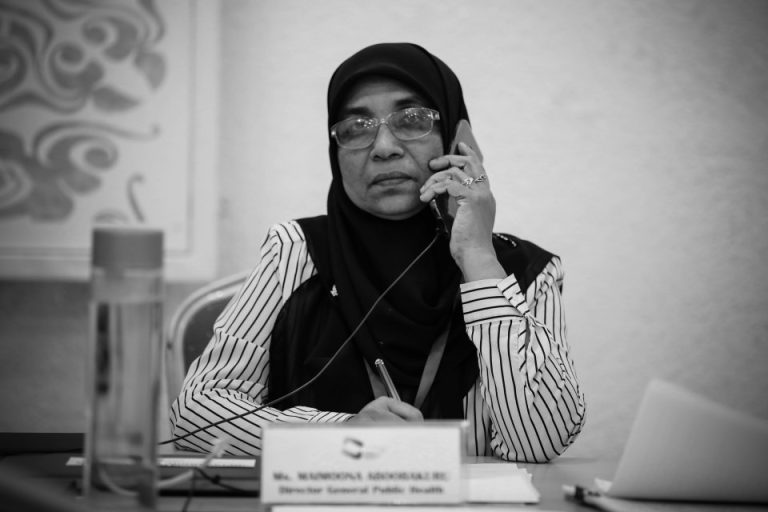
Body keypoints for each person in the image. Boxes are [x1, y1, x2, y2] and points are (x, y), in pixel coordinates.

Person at [170, 42, 585, 462]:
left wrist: (477, 256)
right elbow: (195, 412)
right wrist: (340, 434)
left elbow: (538, 441)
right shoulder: (296, 251)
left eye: (413, 120)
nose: (384, 146)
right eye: (356, 128)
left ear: (459, 142)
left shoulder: (525, 272)